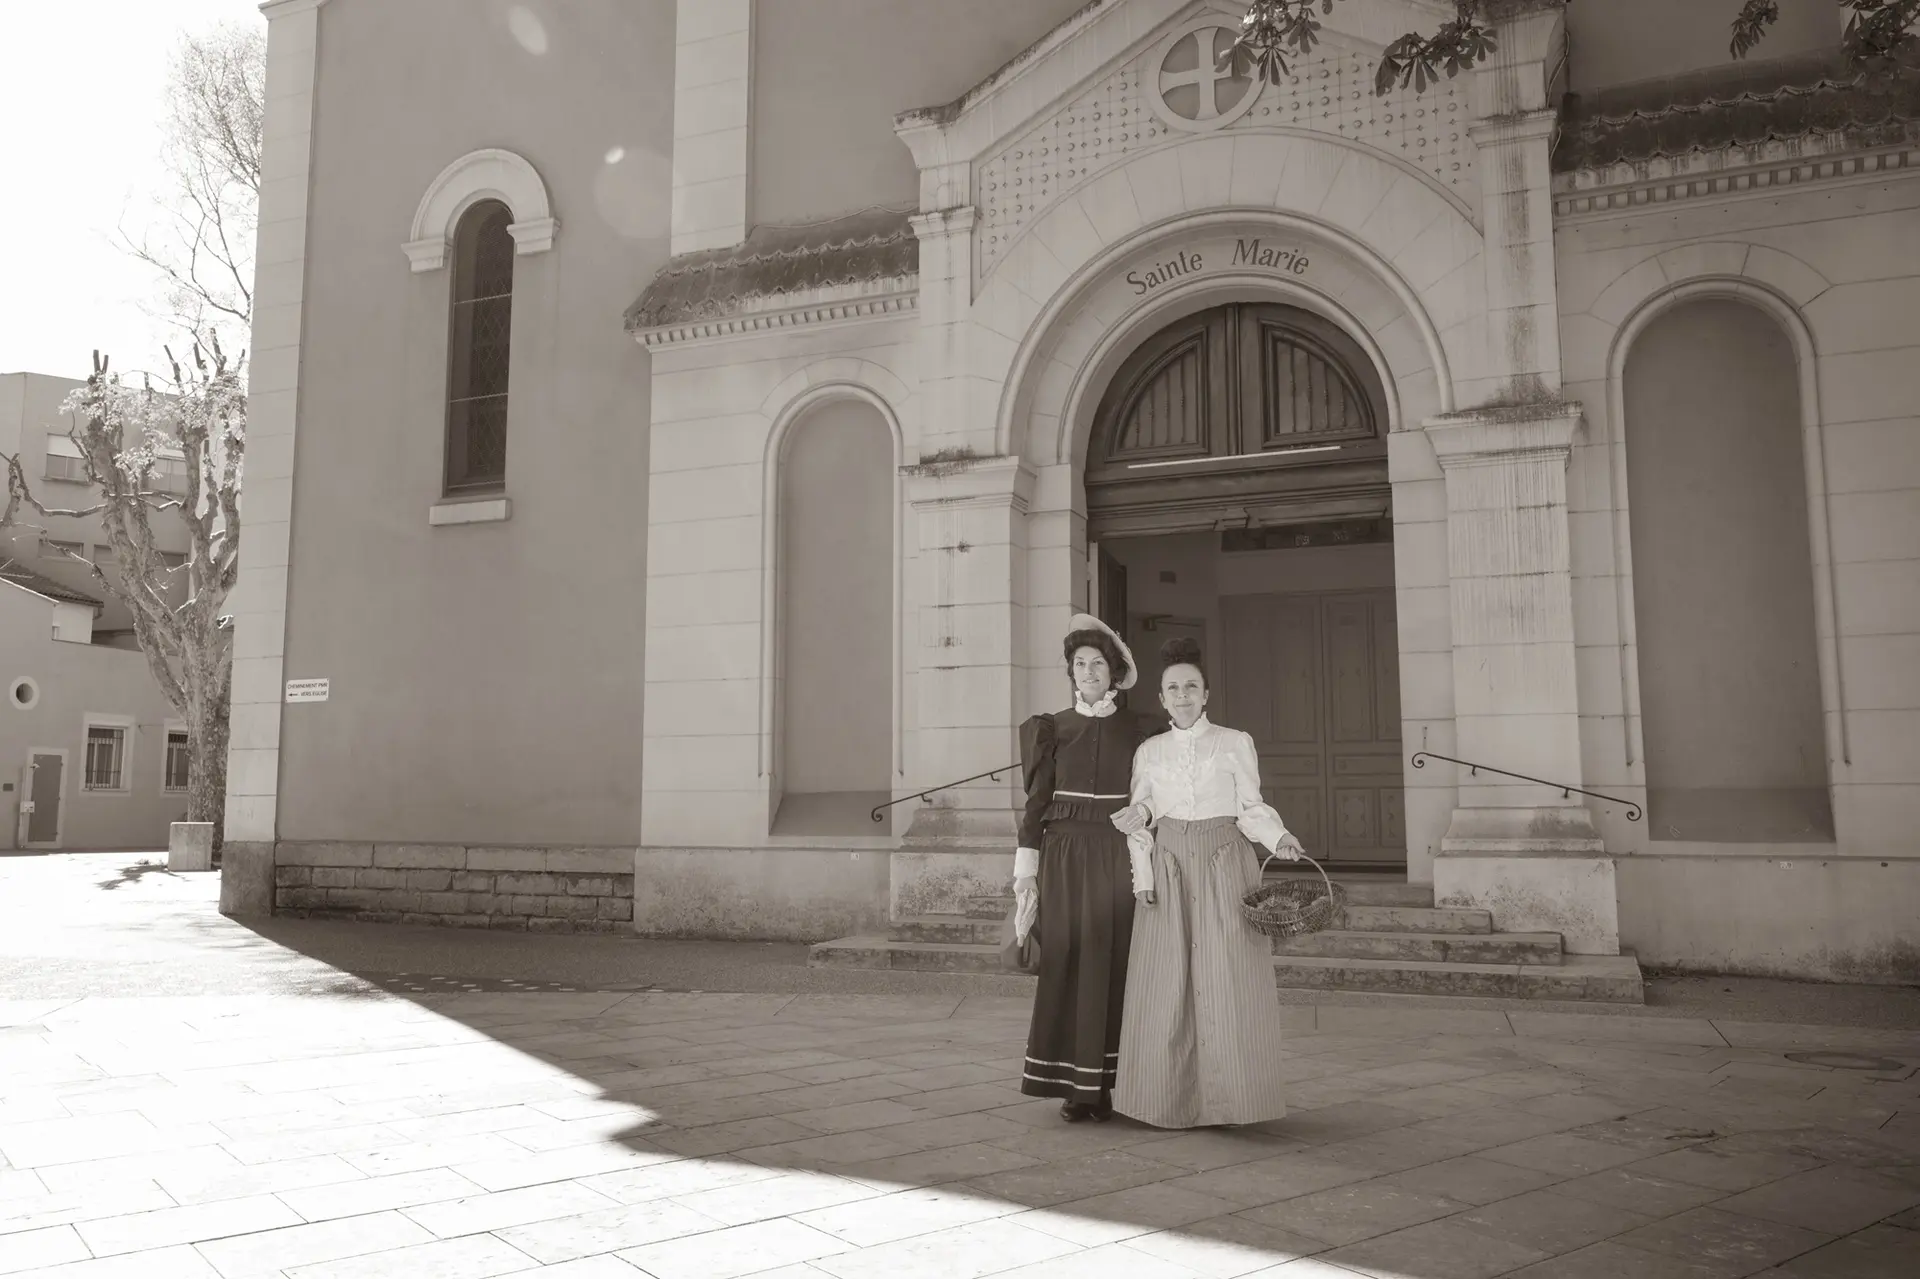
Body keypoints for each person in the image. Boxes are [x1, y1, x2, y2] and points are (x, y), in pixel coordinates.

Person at [1109, 635, 1303, 1129]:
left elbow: (1249, 806)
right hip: (1169, 862)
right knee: (1165, 980)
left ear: (1206, 694)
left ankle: (1233, 1102)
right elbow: (1145, 812)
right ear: (1160, 697)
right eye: (1172, 688)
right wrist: (1143, 875)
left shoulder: (1235, 742)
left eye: (1191, 686)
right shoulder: (1149, 751)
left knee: (1227, 976)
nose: (1182, 695)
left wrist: (1278, 837)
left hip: (1223, 861)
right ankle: (1164, 1100)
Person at [1012, 613, 1149, 1122]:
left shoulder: (1140, 729)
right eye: (1079, 664)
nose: (1088, 671)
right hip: (1063, 858)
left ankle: (1111, 1086)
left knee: (1114, 966)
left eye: (1097, 663)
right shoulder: (1051, 729)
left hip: (1117, 856)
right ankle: (1072, 1086)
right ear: (1071, 673)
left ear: (1114, 673)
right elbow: (1035, 803)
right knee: (1067, 963)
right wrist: (1026, 868)